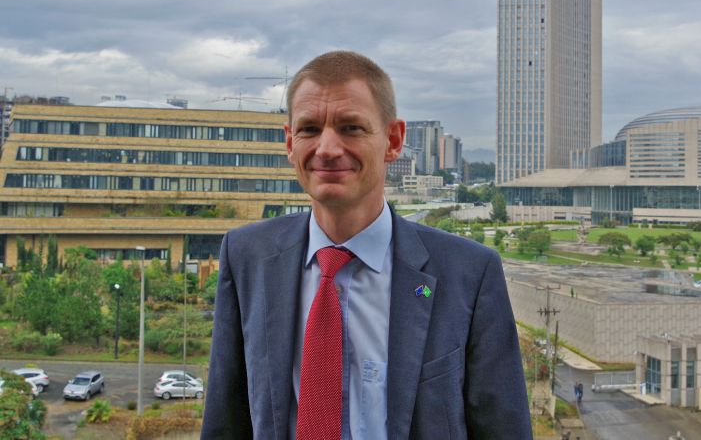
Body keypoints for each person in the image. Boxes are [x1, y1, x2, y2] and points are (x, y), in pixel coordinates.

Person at [201, 50, 532, 439]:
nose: (326, 148)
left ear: (393, 140)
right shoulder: (246, 257)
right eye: (309, 129)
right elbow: (226, 419)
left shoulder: (469, 274)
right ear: (290, 142)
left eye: (351, 128)